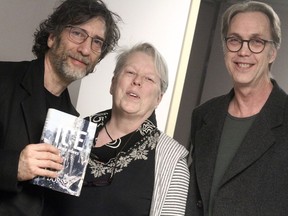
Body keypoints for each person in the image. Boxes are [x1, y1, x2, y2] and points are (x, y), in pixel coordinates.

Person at [0, 0, 120, 215]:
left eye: (97, 42)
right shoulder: (3, 79)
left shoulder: (75, 122)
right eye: (77, 33)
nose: (85, 49)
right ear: (52, 37)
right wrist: (13, 167)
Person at [43, 42, 190, 216]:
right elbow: (39, 204)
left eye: (149, 79)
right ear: (113, 84)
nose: (137, 81)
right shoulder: (72, 134)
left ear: (159, 98)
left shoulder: (172, 161)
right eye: (130, 72)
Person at [185, 1, 288, 216]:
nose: (243, 51)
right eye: (234, 40)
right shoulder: (203, 116)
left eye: (257, 42)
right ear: (225, 47)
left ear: (272, 52)